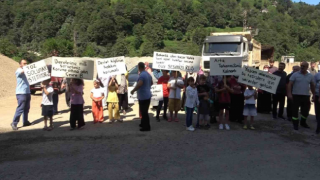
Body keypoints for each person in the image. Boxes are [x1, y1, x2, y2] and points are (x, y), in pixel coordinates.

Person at [287, 62, 315, 130]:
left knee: (305, 111)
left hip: (306, 96)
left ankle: (303, 122)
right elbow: (290, 84)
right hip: (296, 95)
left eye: (304, 66)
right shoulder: (295, 75)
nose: (302, 67)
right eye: (301, 66)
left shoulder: (310, 76)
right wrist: (289, 94)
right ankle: (295, 124)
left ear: (307, 67)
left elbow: (312, 85)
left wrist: (314, 94)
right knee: (295, 111)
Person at [11, 59, 33, 130]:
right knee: (20, 108)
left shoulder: (27, 71)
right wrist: (30, 67)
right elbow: (22, 71)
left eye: (26, 63)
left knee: (27, 108)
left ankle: (25, 121)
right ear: (20, 64)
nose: (25, 65)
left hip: (27, 92)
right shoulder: (18, 70)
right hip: (21, 93)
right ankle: (14, 123)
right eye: (24, 63)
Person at [131, 62, 153, 131]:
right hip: (147, 95)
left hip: (143, 96)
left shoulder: (142, 75)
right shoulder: (147, 74)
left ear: (139, 67)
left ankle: (146, 127)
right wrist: (147, 86)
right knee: (143, 111)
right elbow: (151, 82)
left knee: (144, 112)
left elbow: (140, 84)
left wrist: (133, 90)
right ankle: (142, 123)